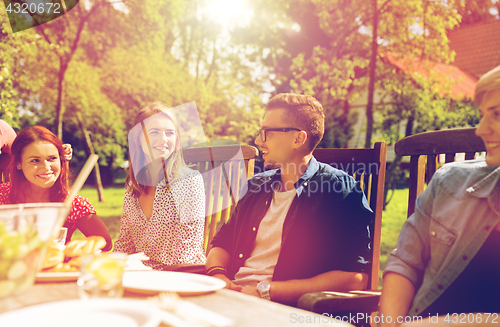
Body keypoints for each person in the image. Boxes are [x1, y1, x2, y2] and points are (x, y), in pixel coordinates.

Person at [205, 93, 373, 305]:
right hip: (229, 298)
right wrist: (218, 274)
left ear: (298, 138)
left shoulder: (339, 189)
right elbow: (222, 243)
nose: (258, 141)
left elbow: (355, 277)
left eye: (267, 133)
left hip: (282, 309)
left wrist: (267, 291)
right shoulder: (256, 186)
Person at [380, 65, 500, 326]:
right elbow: (406, 263)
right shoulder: (448, 183)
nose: (481, 130)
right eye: (482, 116)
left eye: (497, 114)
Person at [113, 102, 206, 270]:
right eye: (154, 132)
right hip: (141, 275)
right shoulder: (133, 186)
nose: (163, 139)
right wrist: (110, 266)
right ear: (137, 138)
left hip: (182, 277)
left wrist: (148, 275)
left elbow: (186, 252)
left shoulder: (189, 181)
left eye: (169, 133)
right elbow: (125, 244)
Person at [0, 126, 112, 251]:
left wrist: (67, 250)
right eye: (35, 160)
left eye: (52, 158)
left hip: (53, 268)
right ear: (18, 163)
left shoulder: (73, 203)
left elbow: (105, 243)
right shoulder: (2, 195)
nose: (46, 167)